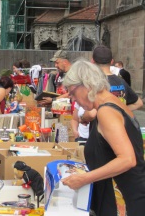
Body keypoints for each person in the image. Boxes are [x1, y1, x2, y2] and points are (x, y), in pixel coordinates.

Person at [62, 59, 145, 216]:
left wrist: (84, 179)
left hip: (123, 201)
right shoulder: (113, 104)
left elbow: (128, 159)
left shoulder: (106, 111)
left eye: (73, 93)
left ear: (86, 85)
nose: (72, 99)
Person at [92, 45, 142, 110]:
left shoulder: (92, 82)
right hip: (119, 119)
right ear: (112, 61)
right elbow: (139, 103)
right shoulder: (122, 81)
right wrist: (120, 110)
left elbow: (90, 113)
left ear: (92, 61)